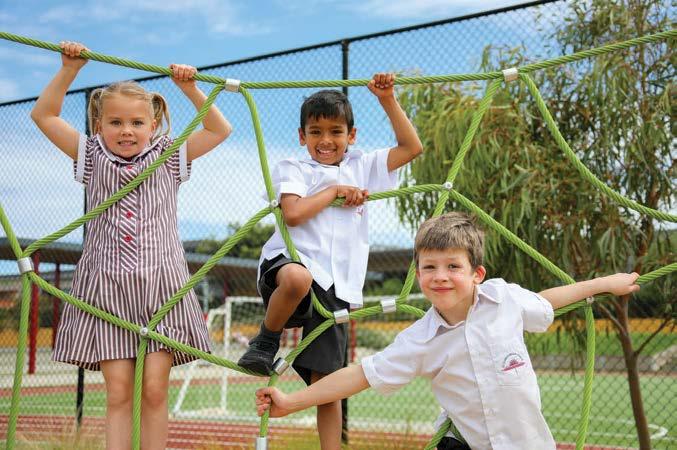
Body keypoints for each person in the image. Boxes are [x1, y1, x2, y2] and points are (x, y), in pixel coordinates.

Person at [255, 212, 641, 450]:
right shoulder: (421, 339)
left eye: (453, 266)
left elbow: (545, 302)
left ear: (477, 274)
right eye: (430, 267)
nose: (440, 276)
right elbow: (361, 375)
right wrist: (292, 402)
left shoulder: (503, 299)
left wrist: (603, 283)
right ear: (418, 273)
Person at [31, 41, 232, 450]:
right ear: (99, 125)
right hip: (107, 291)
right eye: (116, 122)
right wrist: (69, 69)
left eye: (137, 122)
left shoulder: (168, 156)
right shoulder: (91, 156)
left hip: (161, 288)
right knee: (120, 392)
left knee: (154, 390)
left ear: (153, 125)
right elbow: (44, 115)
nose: (126, 130)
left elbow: (219, 130)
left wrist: (190, 88)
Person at [238, 73, 423, 448]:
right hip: (289, 267)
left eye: (336, 131)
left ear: (351, 135)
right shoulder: (294, 167)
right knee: (297, 279)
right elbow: (293, 214)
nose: (326, 140)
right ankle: (265, 342)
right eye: (316, 132)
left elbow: (411, 147)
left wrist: (387, 99)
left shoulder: (362, 166)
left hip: (338, 286)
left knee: (328, 383)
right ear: (301, 136)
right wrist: (335, 191)